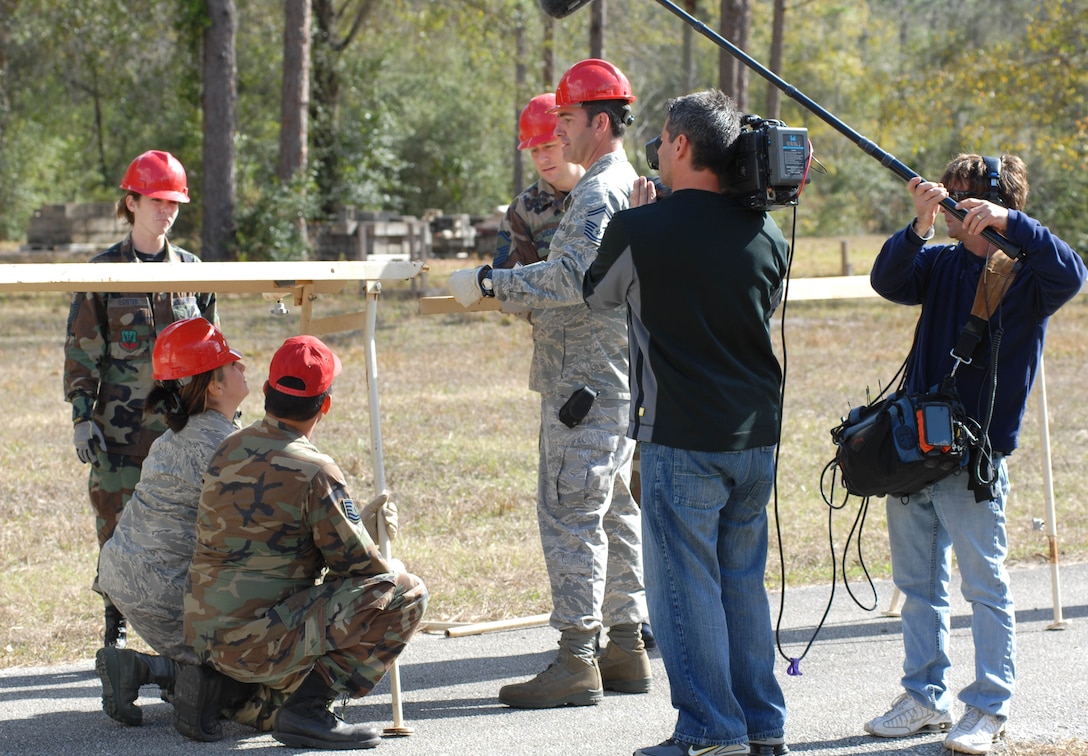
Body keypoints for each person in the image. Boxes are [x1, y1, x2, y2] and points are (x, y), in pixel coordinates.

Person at [584, 89, 790, 756]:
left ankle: (710, 731)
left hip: (682, 438)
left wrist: (642, 221)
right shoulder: (770, 234)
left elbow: (596, 292)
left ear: (679, 145)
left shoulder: (642, 229)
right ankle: (762, 725)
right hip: (756, 438)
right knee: (741, 584)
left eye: (663, 137)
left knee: (685, 590)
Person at [863, 154, 1086, 754]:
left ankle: (988, 707)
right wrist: (918, 226)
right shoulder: (937, 262)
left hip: (974, 457)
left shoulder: (1029, 273)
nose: (956, 201)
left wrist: (1013, 222)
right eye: (950, 191)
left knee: (984, 588)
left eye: (967, 194)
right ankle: (923, 698)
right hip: (915, 448)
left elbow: (1073, 272)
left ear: (996, 201)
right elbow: (888, 281)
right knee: (918, 586)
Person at [447, 58, 650, 709]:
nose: (558, 133)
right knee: (614, 512)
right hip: (608, 379)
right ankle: (624, 647)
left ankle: (577, 658)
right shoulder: (621, 184)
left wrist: (488, 284)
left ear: (597, 121)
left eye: (565, 119)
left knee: (572, 517)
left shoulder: (596, 190)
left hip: (582, 385)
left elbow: (571, 278)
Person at [182, 335, 427, 749]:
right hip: (258, 640)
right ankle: (308, 710)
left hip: (203, 635)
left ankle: (226, 691)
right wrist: (392, 563)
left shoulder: (226, 449)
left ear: (265, 392)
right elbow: (363, 571)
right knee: (406, 592)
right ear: (325, 405)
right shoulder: (315, 470)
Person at [63, 149, 218, 650]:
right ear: (131, 202)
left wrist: (220, 410)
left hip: (181, 427)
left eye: (174, 202)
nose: (166, 211)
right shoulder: (103, 272)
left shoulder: (192, 270)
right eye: (156, 200)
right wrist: (81, 417)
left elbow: (213, 344)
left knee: (190, 523)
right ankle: (116, 619)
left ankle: (187, 624)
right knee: (116, 525)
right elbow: (83, 351)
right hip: (120, 430)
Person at [93, 317, 248, 727]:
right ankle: (153, 671)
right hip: (166, 594)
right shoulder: (226, 446)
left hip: (126, 577)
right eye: (232, 363)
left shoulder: (173, 436)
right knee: (260, 672)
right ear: (214, 385)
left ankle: (163, 671)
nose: (243, 365)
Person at [492, 91, 585, 270]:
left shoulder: (606, 189)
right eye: (534, 150)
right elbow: (507, 282)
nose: (542, 158)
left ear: (568, 138)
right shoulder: (522, 211)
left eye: (549, 146)